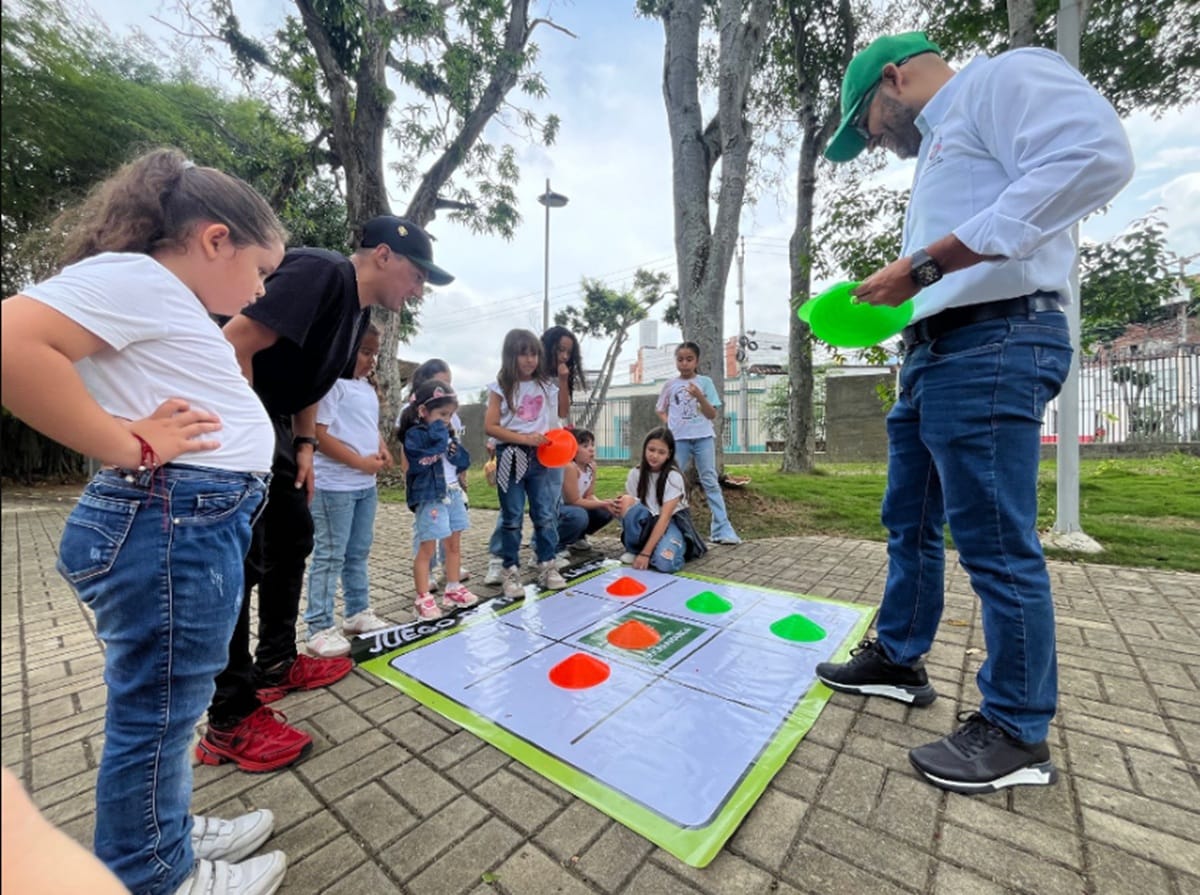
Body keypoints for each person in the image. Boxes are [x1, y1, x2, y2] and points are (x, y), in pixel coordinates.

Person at [816, 32, 1134, 794]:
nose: (874, 141)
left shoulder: (1001, 80)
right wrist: (909, 292)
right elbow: (947, 262)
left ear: (892, 79)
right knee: (910, 520)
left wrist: (926, 263)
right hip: (934, 351)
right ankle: (898, 657)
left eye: (868, 123)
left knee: (993, 541)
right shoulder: (937, 148)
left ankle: (1017, 728)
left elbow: (1098, 157)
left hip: (997, 339)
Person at [0, 148, 288, 893]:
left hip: (186, 522)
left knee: (167, 704)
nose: (261, 289)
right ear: (215, 238)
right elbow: (10, 341)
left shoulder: (157, 293)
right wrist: (127, 441)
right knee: (158, 712)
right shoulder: (138, 278)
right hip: (173, 522)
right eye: (261, 268)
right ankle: (153, 872)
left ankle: (159, 831)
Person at [197, 214, 454, 773]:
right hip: (236, 418)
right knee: (241, 560)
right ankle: (228, 718)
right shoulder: (324, 273)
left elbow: (314, 379)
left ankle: (276, 662)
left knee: (293, 535)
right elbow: (233, 342)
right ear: (383, 255)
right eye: (417, 276)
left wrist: (306, 442)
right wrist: (246, 439)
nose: (417, 290)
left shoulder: (355, 308)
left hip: (279, 425)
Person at [303, 323, 393, 658]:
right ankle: (318, 626)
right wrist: (358, 462)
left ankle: (357, 612)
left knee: (357, 552)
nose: (371, 360)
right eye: (365, 352)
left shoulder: (365, 388)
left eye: (375, 353)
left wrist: (381, 448)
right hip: (335, 487)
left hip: (364, 486)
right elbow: (318, 434)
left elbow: (369, 428)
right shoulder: (332, 385)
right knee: (329, 555)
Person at [485, 325, 585, 583]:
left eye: (568, 352)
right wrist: (507, 440)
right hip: (516, 452)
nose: (564, 356)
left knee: (546, 510)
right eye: (560, 350)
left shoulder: (547, 383)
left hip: (548, 450)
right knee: (512, 511)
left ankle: (544, 559)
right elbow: (496, 422)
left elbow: (561, 412)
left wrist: (563, 380)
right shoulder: (503, 386)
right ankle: (502, 561)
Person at [399, 379, 477, 618]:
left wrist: (455, 450)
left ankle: (453, 587)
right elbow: (417, 462)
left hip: (453, 492)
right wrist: (439, 437)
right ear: (423, 411)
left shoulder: (447, 434)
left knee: (453, 544)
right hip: (431, 497)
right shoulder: (415, 435)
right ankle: (423, 598)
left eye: (450, 414)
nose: (447, 419)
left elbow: (463, 461)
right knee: (427, 548)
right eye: (442, 414)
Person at [656, 341, 741, 545]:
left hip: (703, 437)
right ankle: (664, 525)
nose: (684, 363)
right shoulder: (670, 385)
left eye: (689, 359)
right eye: (680, 359)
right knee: (672, 480)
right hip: (679, 440)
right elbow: (660, 408)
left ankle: (722, 529)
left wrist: (699, 396)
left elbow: (711, 414)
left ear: (697, 361)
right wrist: (671, 425)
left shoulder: (705, 382)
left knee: (710, 480)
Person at [615, 427, 707, 573]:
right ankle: (633, 549)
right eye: (651, 450)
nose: (654, 456)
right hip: (648, 520)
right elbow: (633, 510)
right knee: (627, 501)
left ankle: (673, 547)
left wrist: (646, 554)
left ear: (669, 455)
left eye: (661, 452)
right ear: (645, 448)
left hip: (670, 523)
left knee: (664, 563)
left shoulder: (673, 477)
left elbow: (664, 518)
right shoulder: (635, 473)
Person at [556, 429, 618, 554]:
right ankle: (556, 546)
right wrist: (603, 503)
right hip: (561, 509)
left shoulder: (591, 467)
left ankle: (577, 538)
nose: (591, 449)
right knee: (579, 515)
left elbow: (589, 495)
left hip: (576, 507)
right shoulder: (570, 467)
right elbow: (573, 501)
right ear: (572, 449)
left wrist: (605, 505)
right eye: (585, 446)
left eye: (592, 445)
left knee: (604, 512)